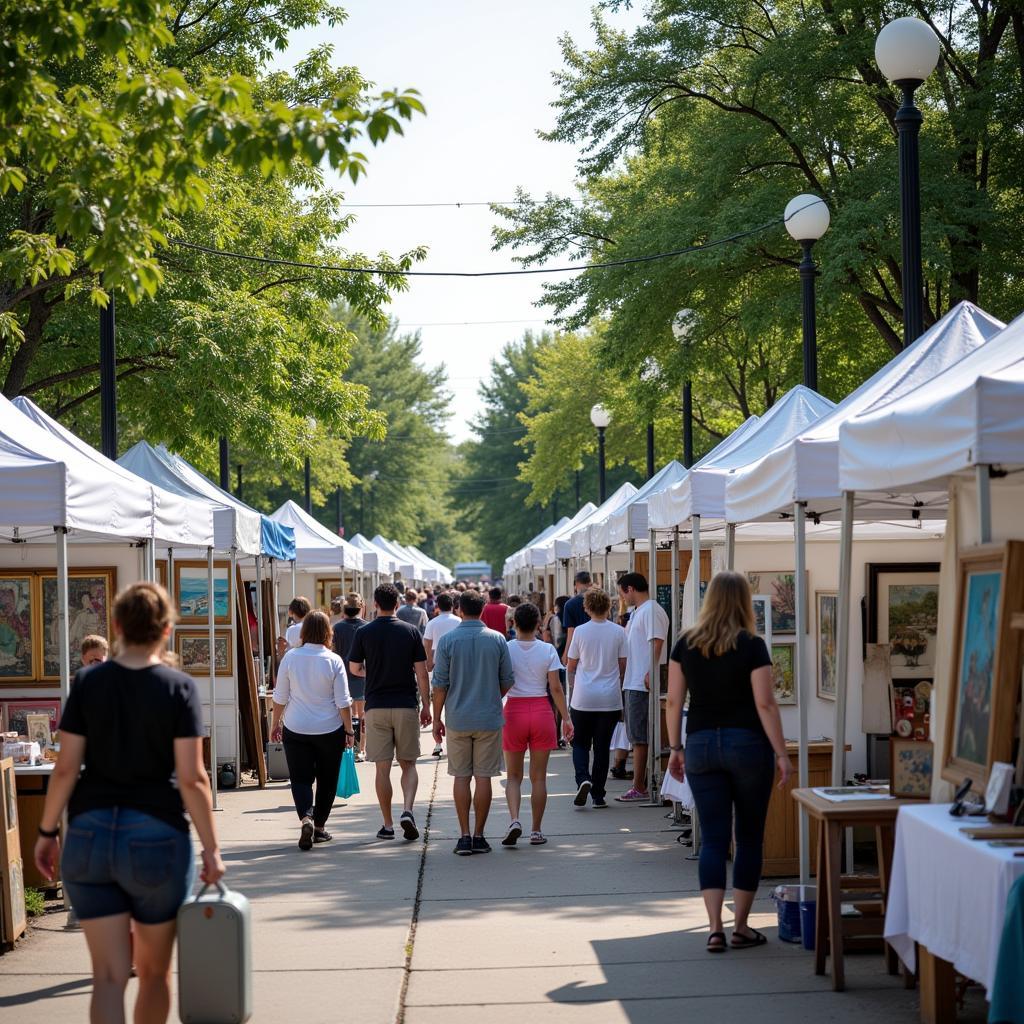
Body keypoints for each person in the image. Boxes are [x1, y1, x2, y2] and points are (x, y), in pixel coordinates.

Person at [33, 582, 224, 1024]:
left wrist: (46, 832)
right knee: (153, 975)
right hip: (157, 835)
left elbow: (65, 769)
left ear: (116, 626)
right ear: (168, 629)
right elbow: (193, 778)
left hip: (88, 835)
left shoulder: (88, 683)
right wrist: (212, 848)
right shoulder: (178, 686)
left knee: (107, 977)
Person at [666, 571, 793, 953]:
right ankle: (741, 926)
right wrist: (783, 753)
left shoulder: (685, 644)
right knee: (749, 836)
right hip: (748, 745)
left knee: (713, 839)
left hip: (701, 744)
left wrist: (675, 748)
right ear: (742, 601)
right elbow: (765, 703)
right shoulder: (752, 645)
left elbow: (674, 702)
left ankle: (714, 928)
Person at [431, 588, 513, 855]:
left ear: (459, 609)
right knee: (484, 777)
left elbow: (440, 684)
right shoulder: (498, 639)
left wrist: (436, 718)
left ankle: (464, 835)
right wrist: (491, 695)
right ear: (482, 610)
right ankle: (479, 835)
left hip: (457, 716)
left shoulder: (447, 641)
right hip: (488, 716)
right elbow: (507, 680)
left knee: (461, 776)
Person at [348, 584, 431, 841]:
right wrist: (426, 705)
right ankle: (407, 809)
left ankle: (387, 824)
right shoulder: (411, 632)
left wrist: (369, 672)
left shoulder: (364, 632)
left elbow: (353, 667)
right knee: (409, 764)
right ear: (398, 604)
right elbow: (421, 672)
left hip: (376, 706)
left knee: (382, 769)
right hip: (405, 703)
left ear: (374, 604)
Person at [270, 611, 353, 849]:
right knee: (327, 780)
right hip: (329, 728)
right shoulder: (333, 660)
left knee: (300, 778)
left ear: (304, 631)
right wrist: (349, 730)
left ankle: (306, 817)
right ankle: (319, 827)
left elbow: (280, 696)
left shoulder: (290, 657)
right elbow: (343, 702)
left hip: (296, 727)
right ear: (329, 632)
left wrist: (275, 724)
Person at [502, 602, 573, 846]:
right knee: (539, 777)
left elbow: (502, 683)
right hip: (542, 711)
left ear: (514, 623)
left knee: (513, 776)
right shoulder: (548, 650)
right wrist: (566, 717)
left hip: (514, 711)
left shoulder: (506, 648)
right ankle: (536, 830)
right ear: (538, 624)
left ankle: (513, 819)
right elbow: (555, 687)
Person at [566, 588, 627, 809]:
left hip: (584, 697)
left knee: (580, 743)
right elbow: (623, 666)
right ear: (608, 606)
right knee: (602, 747)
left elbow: (571, 664)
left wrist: (574, 684)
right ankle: (598, 794)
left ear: (587, 608)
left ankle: (583, 778)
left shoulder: (581, 632)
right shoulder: (619, 632)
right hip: (609, 698)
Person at [615, 573, 670, 803]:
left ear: (630, 589)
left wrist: (650, 670)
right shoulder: (640, 611)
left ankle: (639, 785)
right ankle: (639, 783)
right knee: (636, 734)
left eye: (622, 593)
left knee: (639, 736)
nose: (622, 598)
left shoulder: (651, 610)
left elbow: (657, 641)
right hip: (634, 679)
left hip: (641, 680)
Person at [423, 592, 461, 757]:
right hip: (457, 667)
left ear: (437, 606)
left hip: (439, 666)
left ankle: (438, 743)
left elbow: (427, 645)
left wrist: (428, 663)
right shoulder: (459, 621)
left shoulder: (432, 623)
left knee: (438, 703)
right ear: (453, 606)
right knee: (455, 703)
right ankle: (455, 740)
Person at [332, 594, 369, 760]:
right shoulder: (367, 627)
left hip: (342, 676)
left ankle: (350, 747)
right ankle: (362, 749)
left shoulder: (337, 628)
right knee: (362, 715)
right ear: (360, 607)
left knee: (348, 714)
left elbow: (332, 651)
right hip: (362, 675)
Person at [560, 572, 592, 667]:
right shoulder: (599, 600)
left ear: (576, 584)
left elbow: (571, 631)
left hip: (578, 646)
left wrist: (566, 653)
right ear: (590, 583)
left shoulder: (570, 604)